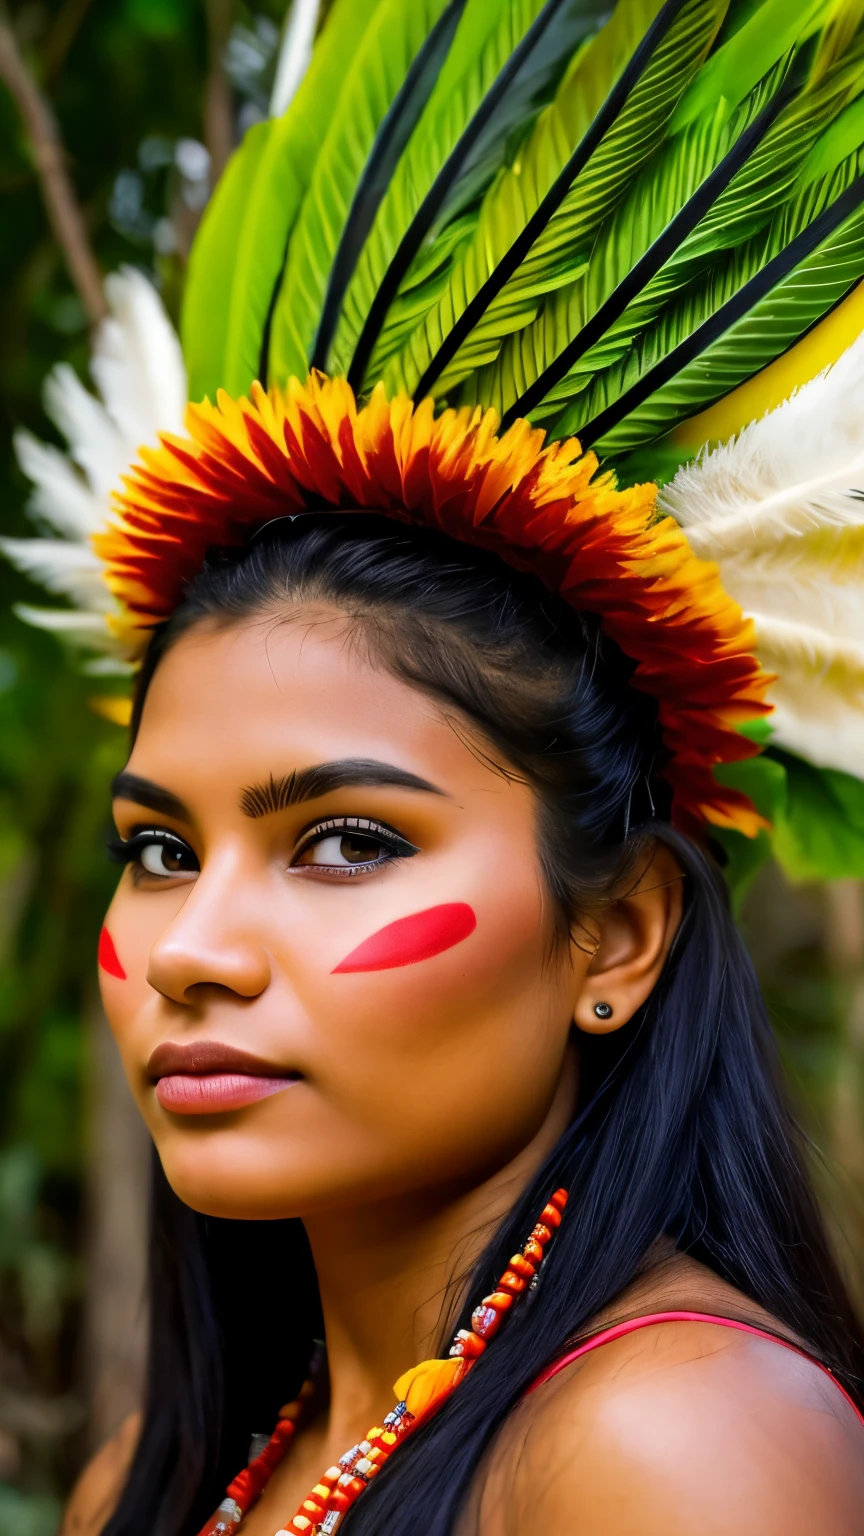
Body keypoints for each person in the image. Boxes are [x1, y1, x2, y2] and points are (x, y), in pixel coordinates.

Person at [6, 2, 864, 1533]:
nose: (190, 952)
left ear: (616, 934)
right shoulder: (151, 1481)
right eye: (158, 851)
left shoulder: (674, 1452)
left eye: (343, 840)